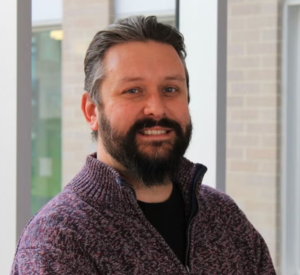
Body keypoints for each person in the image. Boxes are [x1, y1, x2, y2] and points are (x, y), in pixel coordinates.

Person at [11, 16, 276, 275]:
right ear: (92, 112)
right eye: (133, 91)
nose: (157, 109)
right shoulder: (58, 239)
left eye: (170, 89)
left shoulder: (223, 215)